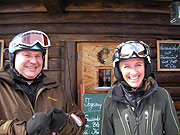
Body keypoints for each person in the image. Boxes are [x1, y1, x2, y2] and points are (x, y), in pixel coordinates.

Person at [0, 30, 87, 135]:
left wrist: (64, 124)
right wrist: (24, 129)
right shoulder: (2, 87)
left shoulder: (55, 88)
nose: (33, 61)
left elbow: (80, 123)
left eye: (38, 56)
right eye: (27, 55)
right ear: (13, 58)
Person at [99, 41, 180, 135]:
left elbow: (174, 131)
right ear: (119, 71)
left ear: (146, 68)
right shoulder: (110, 101)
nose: (133, 72)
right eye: (126, 66)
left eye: (138, 65)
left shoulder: (162, 96)